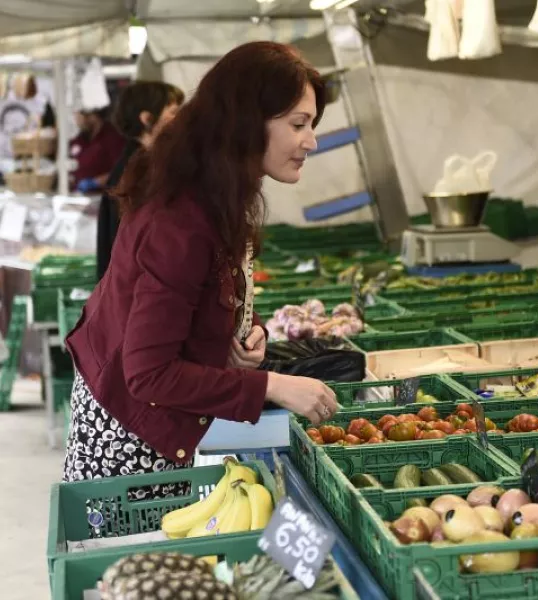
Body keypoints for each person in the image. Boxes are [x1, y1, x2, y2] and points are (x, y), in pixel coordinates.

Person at [63, 42, 338, 492]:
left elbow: (208, 289)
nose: (311, 140)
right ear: (248, 124)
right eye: (298, 124)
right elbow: (148, 373)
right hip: (129, 438)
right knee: (142, 560)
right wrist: (271, 384)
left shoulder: (217, 191)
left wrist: (248, 331)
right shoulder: (181, 221)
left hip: (153, 420)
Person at [96, 81, 185, 281]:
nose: (181, 120)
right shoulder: (136, 173)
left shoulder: (146, 163)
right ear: (147, 119)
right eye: (173, 112)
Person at [69, 106, 126, 193]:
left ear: (92, 116)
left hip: (103, 197)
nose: (77, 121)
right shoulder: (79, 139)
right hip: (78, 197)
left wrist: (95, 182)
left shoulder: (112, 138)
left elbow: (121, 172)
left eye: (79, 115)